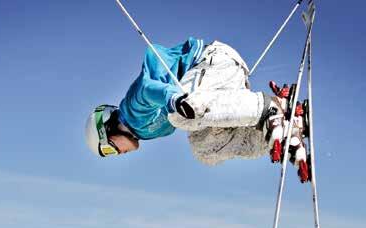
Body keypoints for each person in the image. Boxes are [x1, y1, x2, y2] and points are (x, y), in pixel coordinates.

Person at [85, 37, 309, 179]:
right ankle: (277, 135)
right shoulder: (142, 132)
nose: (116, 154)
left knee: (180, 118)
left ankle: (268, 109)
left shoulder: (131, 113)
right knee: (203, 150)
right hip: (219, 91)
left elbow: (146, 89)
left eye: (108, 149)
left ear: (109, 129)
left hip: (213, 62)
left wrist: (174, 99)